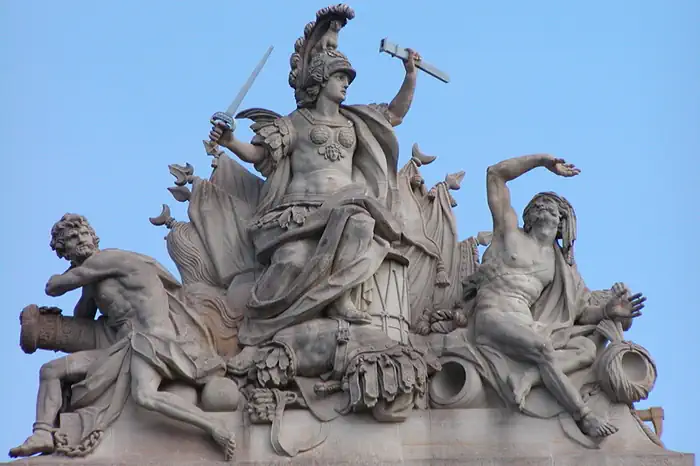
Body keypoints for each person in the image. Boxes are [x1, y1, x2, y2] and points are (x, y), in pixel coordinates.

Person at [209, 33, 427, 345]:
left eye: (347, 78)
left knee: (362, 226)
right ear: (321, 81)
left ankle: (338, 297)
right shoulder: (295, 122)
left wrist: (410, 76)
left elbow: (395, 114)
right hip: (301, 211)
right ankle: (261, 321)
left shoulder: (356, 120)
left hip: (348, 204)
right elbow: (259, 154)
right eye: (339, 77)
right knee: (291, 261)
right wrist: (229, 142)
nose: (346, 83)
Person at [10, 214, 236, 460]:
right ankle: (42, 433)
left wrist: (74, 271)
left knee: (144, 395)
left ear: (93, 236)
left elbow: (54, 286)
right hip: (124, 346)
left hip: (152, 341)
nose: (81, 239)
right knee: (50, 371)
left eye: (83, 233)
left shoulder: (108, 259)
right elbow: (83, 316)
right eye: (72, 239)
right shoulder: (94, 277)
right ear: (65, 251)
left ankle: (214, 427)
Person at [471, 154, 646, 437]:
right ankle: (583, 415)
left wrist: (608, 311)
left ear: (561, 223)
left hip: (529, 323)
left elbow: (578, 312)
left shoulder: (560, 266)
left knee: (587, 350)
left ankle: (530, 377)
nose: (545, 208)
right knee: (543, 350)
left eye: (552, 208)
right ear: (527, 216)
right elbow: (495, 174)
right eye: (539, 205)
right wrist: (543, 161)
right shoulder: (508, 234)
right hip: (494, 316)